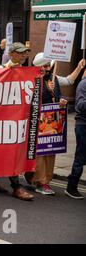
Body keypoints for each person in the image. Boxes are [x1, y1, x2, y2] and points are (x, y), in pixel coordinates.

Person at [27, 53, 86, 195]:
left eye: (49, 66)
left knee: (50, 151)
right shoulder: (32, 79)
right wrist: (44, 88)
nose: (48, 68)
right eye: (45, 66)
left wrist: (78, 67)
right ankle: (39, 181)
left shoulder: (54, 79)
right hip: (38, 121)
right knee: (40, 153)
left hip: (53, 121)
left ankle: (45, 180)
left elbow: (69, 81)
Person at [0, 42, 34, 201]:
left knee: (12, 152)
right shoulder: (1, 70)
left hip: (16, 119)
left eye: (25, 53)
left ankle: (15, 185)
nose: (23, 56)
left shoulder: (27, 72)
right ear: (12, 53)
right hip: (0, 119)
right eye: (20, 53)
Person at [65, 65, 86, 199]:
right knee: (81, 157)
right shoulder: (83, 84)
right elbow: (80, 105)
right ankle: (71, 187)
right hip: (83, 125)